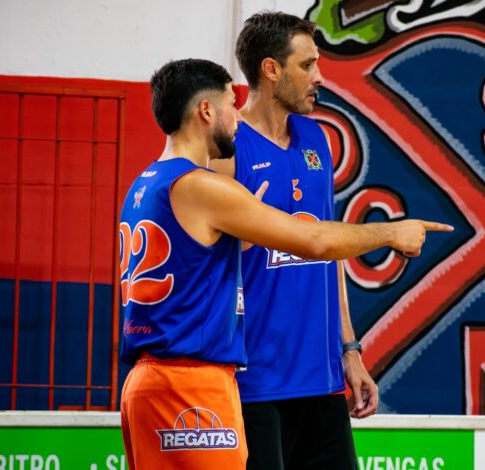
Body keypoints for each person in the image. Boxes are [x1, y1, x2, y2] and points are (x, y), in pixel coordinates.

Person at [119, 58, 452, 470]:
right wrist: (390, 232)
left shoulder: (146, 183)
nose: (236, 118)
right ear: (206, 112)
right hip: (191, 382)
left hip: (147, 382)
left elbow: (193, 267)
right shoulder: (203, 185)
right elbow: (313, 240)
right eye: (229, 105)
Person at [209, 11, 393, 469]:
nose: (319, 76)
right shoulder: (228, 150)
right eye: (307, 65)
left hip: (322, 378)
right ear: (271, 70)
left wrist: (350, 352)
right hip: (253, 385)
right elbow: (204, 262)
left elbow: (328, 250)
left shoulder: (316, 138)